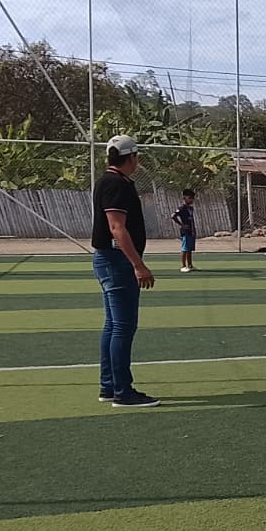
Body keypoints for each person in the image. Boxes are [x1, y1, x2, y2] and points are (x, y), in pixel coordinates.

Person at [92, 135, 159, 407]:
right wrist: (138, 265)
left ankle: (109, 385)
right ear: (131, 157)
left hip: (111, 260)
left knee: (113, 325)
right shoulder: (116, 184)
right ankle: (122, 391)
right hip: (117, 261)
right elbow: (117, 228)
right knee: (123, 327)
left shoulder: (110, 181)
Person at [171, 188, 197, 272]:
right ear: (184, 198)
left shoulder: (191, 208)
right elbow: (173, 216)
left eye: (192, 198)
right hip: (185, 231)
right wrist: (181, 225)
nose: (191, 200)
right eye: (190, 198)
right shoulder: (181, 208)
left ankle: (190, 265)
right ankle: (183, 266)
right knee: (185, 248)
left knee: (189, 249)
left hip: (191, 230)